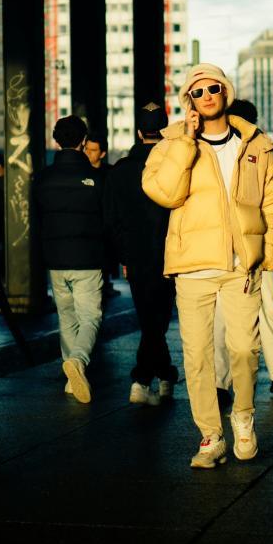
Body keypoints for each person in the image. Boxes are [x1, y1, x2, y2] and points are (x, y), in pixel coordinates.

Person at [142, 63, 273, 469]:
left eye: (213, 88)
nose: (206, 96)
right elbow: (164, 193)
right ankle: (211, 435)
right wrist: (186, 143)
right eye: (197, 91)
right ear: (187, 100)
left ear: (225, 92)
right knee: (198, 357)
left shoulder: (256, 144)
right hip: (192, 269)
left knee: (244, 350)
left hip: (241, 267)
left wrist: (268, 255)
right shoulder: (171, 144)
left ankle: (242, 416)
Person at [213, 99, 273, 405]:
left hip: (221, 249)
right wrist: (272, 252)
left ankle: (218, 383)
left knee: (221, 315)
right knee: (265, 311)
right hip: (256, 247)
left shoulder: (214, 150)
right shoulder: (263, 150)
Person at [104, 102, 178, 406]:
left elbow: (110, 219)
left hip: (135, 258)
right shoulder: (175, 167)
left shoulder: (120, 171)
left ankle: (157, 376)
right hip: (171, 255)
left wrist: (124, 254)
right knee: (157, 321)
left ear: (138, 133)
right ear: (165, 131)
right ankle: (148, 377)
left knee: (149, 318)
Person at [33, 115, 104, 404]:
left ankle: (70, 380)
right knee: (91, 317)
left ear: (55, 141)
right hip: (88, 258)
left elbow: (35, 218)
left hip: (55, 258)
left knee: (66, 318)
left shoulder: (43, 178)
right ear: (84, 141)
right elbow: (107, 220)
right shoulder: (97, 179)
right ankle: (78, 360)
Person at [84, 131, 119, 300]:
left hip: (105, 231)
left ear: (102, 154)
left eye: (93, 150)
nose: (88, 153)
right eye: (86, 149)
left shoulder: (110, 174)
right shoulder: (79, 172)